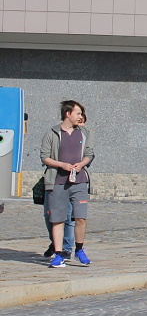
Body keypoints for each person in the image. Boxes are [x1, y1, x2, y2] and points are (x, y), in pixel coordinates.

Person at [40, 100, 94, 268]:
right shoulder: (52, 133)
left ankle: (79, 249)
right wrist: (61, 164)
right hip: (57, 182)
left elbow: (89, 153)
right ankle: (58, 254)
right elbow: (44, 157)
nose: (81, 117)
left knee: (80, 217)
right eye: (78, 113)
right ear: (68, 114)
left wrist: (82, 163)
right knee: (57, 219)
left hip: (79, 181)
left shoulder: (84, 133)